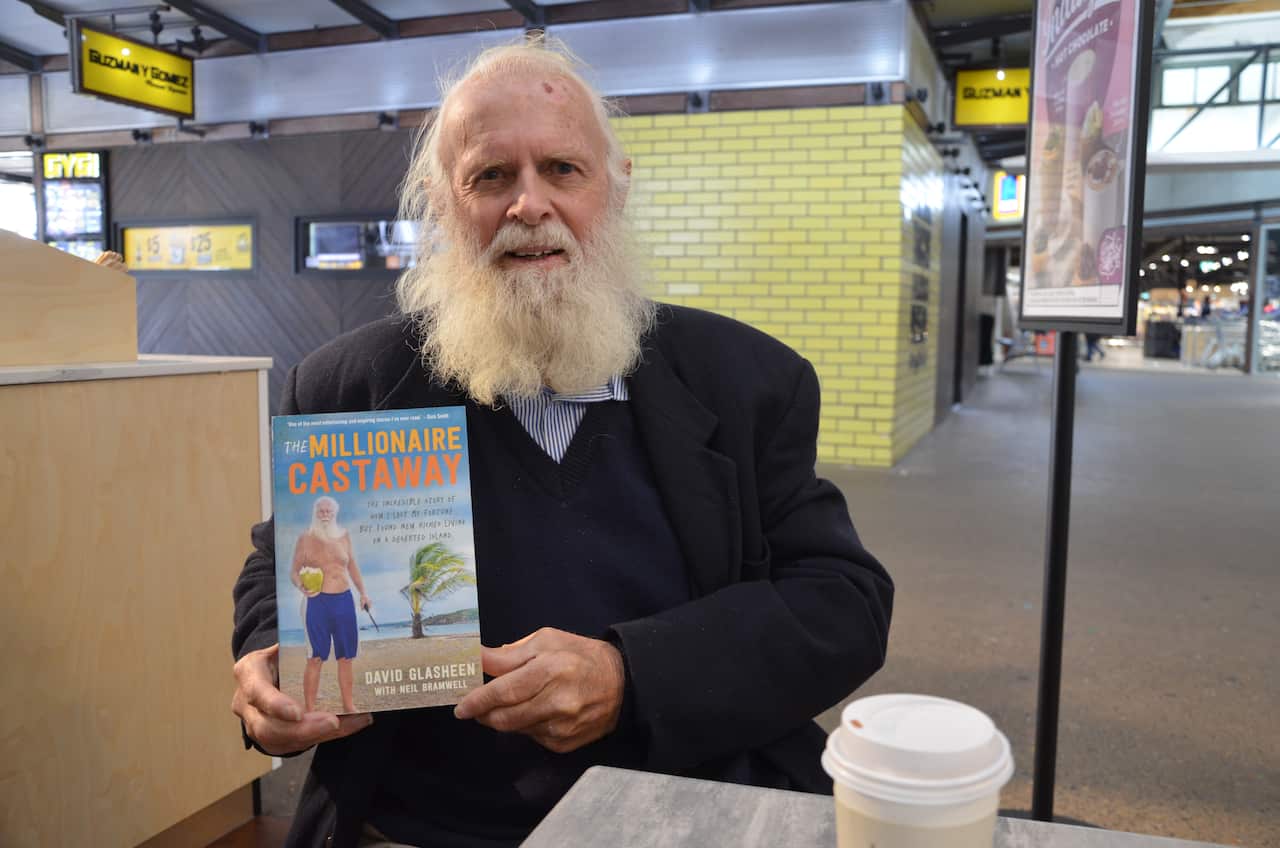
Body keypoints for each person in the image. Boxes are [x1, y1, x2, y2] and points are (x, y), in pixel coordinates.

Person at [230, 37, 893, 848]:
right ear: (445, 205)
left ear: (614, 190)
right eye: (491, 176)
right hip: (415, 824)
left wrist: (632, 675)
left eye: (562, 170)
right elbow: (276, 562)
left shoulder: (749, 383)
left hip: (684, 812)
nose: (528, 206)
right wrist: (268, 657)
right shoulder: (345, 387)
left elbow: (841, 602)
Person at [291, 496, 370, 714]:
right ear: (315, 513)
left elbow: (352, 566)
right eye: (321, 511)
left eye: (329, 511)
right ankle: (310, 709)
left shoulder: (344, 536)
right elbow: (294, 571)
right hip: (316, 601)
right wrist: (300, 585)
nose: (325, 515)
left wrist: (363, 593)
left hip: (344, 600)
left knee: (346, 657)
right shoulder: (305, 538)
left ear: (335, 514)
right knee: (315, 657)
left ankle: (348, 705)